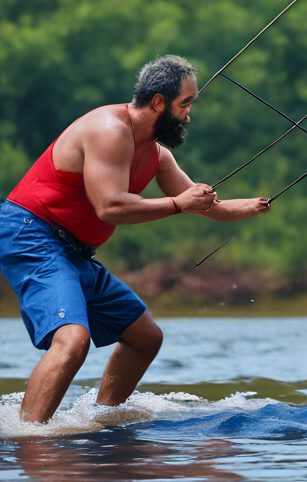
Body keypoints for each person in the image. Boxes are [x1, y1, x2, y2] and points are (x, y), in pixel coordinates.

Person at [0, 55, 269, 423]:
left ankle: (100, 417)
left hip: (74, 252)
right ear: (159, 102)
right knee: (73, 342)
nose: (189, 115)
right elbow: (109, 207)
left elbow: (208, 207)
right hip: (31, 234)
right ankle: (28, 436)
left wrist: (255, 205)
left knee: (146, 337)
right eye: (185, 104)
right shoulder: (109, 129)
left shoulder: (158, 154)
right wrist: (177, 204)